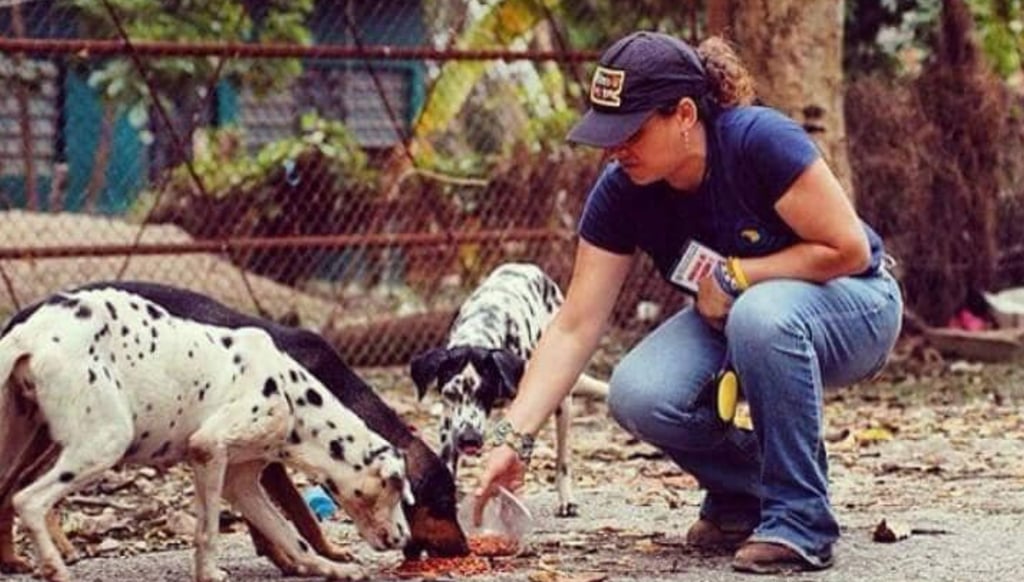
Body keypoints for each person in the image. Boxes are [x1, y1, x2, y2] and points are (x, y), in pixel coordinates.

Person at [472, 31, 903, 574]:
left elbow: (847, 249)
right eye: (606, 133)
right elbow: (574, 326)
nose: (615, 149)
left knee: (760, 314)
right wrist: (513, 437)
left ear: (683, 114)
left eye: (630, 131)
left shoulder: (757, 141)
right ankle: (746, 493)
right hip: (732, 321)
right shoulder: (623, 191)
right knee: (639, 393)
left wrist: (737, 274)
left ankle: (801, 519)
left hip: (853, 305)